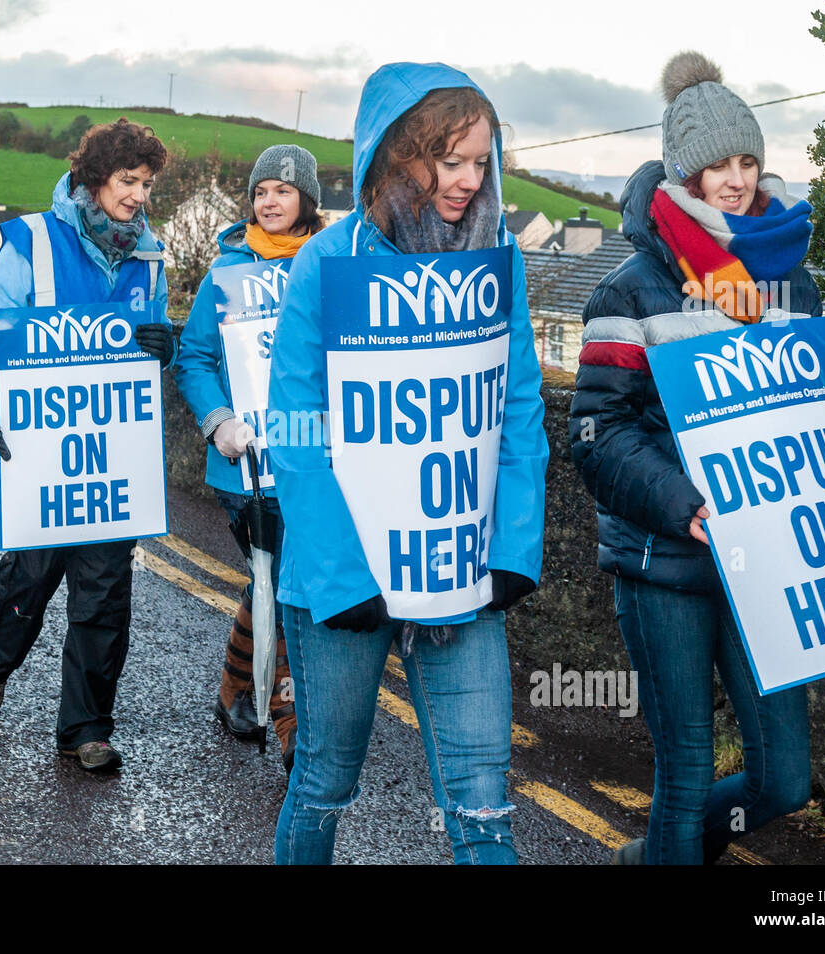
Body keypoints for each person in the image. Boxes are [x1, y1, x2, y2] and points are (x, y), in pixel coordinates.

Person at [569, 52, 825, 865]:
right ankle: (670, 850)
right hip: (668, 558)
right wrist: (682, 501)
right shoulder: (629, 289)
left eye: (747, 160)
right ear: (682, 171)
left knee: (783, 782)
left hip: (772, 562)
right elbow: (595, 434)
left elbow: (824, 414)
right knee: (685, 772)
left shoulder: (792, 282)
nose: (734, 178)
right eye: (716, 164)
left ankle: (658, 855)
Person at [266, 63, 548, 864]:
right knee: (323, 781)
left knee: (485, 808)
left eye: (480, 162)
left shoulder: (501, 260)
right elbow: (294, 427)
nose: (468, 181)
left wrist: (513, 550)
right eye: (449, 160)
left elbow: (518, 410)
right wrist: (344, 575)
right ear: (398, 154)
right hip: (344, 581)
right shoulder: (326, 263)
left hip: (459, 570)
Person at [0, 118, 174, 771]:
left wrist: (159, 342)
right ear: (93, 177)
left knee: (106, 585)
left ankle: (86, 729)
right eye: (127, 180)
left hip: (113, 448)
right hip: (33, 436)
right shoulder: (33, 240)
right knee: (35, 566)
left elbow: (148, 338)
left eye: (147, 184)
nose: (138, 195)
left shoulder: (151, 253)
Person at [174, 144, 324, 772]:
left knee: (277, 577)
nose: (270, 202)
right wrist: (218, 423)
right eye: (262, 192)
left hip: (315, 455)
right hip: (244, 462)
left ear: (306, 201)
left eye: (283, 192)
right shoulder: (224, 273)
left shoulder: (330, 266)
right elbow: (194, 359)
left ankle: (236, 689)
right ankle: (289, 723)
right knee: (286, 582)